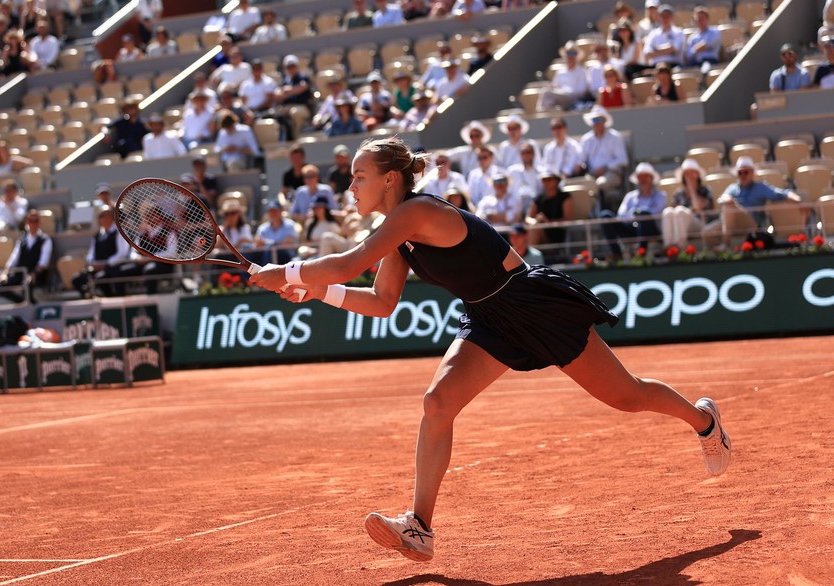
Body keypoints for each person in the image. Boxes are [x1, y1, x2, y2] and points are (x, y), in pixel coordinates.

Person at [249, 136, 733, 562]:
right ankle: (419, 528)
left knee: (626, 396)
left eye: (358, 177)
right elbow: (381, 302)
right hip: (488, 317)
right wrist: (317, 291)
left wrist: (290, 274)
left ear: (390, 179)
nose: (350, 187)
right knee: (437, 403)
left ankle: (705, 422)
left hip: (531, 303)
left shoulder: (414, 213)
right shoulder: (397, 234)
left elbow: (347, 262)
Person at [704, 156, 803, 248]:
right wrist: (727, 199)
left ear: (752, 172)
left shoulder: (761, 187)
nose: (743, 175)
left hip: (751, 223)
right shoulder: (732, 188)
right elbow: (723, 198)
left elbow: (781, 194)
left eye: (746, 172)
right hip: (731, 224)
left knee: (728, 208)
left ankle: (725, 245)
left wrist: (799, 200)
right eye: (740, 173)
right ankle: (725, 256)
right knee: (706, 232)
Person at [602, 162, 667, 259]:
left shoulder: (661, 195)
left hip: (651, 230)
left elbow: (655, 214)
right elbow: (621, 215)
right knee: (605, 216)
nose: (643, 180)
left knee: (645, 213)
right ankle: (617, 254)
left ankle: (641, 253)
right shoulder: (630, 196)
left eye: (646, 176)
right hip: (631, 228)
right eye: (640, 177)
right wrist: (635, 216)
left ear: (652, 179)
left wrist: (639, 213)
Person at [72, 205, 132, 298]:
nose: (102, 218)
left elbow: (122, 253)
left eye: (104, 215)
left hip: (114, 266)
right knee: (76, 279)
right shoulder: (97, 235)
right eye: (100, 216)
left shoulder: (120, 232)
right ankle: (90, 298)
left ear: (111, 217)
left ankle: (111, 298)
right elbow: (91, 254)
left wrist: (106, 264)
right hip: (97, 267)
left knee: (100, 278)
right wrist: (92, 263)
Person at [0, 209, 52, 303]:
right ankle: (21, 303)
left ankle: (32, 306)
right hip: (21, 274)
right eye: (30, 221)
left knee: (28, 286)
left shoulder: (45, 240)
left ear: (39, 223)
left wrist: (34, 274)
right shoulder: (22, 240)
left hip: (36, 275)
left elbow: (44, 261)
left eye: (35, 221)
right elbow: (13, 259)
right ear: (26, 222)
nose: (33, 224)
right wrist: (5, 274)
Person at [578, 105, 629, 207]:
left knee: (600, 184)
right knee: (583, 185)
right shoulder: (586, 140)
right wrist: (581, 167)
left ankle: (602, 212)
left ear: (605, 121)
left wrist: (606, 167)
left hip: (611, 173)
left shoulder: (615, 138)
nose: (597, 123)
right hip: (591, 175)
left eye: (600, 120)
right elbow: (581, 160)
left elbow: (623, 160)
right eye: (594, 120)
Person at [662, 158, 710, 248]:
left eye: (693, 172)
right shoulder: (678, 193)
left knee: (680, 211)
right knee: (667, 212)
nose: (690, 176)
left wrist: (692, 189)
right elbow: (673, 211)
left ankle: (681, 247)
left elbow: (698, 207)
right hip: (681, 224)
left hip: (699, 224)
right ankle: (668, 247)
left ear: (698, 175)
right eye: (687, 173)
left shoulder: (705, 191)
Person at [537, 42, 591, 112]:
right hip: (561, 95)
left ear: (577, 56)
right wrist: (552, 87)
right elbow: (556, 86)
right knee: (546, 94)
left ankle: (542, 114)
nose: (571, 56)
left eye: (573, 54)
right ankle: (547, 114)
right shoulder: (560, 72)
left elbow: (582, 90)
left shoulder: (582, 71)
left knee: (545, 93)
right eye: (569, 53)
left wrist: (566, 92)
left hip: (574, 98)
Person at [643, 4, 684, 69]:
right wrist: (667, 50)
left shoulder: (678, 32)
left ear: (672, 17)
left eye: (667, 16)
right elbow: (647, 53)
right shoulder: (653, 34)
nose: (665, 19)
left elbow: (674, 49)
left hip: (673, 65)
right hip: (655, 67)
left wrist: (656, 50)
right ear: (659, 17)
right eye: (662, 16)